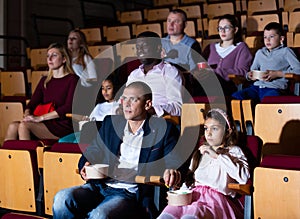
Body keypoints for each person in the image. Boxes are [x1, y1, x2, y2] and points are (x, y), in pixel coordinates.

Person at [52, 81, 189, 219]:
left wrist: (172, 169)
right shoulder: (111, 123)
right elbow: (94, 150)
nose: (126, 104)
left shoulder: (163, 129)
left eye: (133, 99)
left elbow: (175, 160)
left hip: (130, 192)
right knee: (61, 198)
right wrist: (86, 163)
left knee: (99, 215)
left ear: (147, 104)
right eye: (124, 98)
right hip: (100, 185)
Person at [157, 108, 250, 219]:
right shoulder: (200, 152)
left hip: (215, 201)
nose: (208, 133)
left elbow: (244, 177)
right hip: (193, 196)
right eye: (206, 128)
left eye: (214, 129)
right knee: (169, 211)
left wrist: (216, 156)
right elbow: (190, 181)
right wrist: (179, 194)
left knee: (193, 213)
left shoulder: (233, 151)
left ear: (227, 131)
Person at [4, 42, 78, 141]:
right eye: (48, 56)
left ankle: (29, 156)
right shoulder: (45, 80)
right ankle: (7, 156)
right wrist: (28, 115)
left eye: (54, 55)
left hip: (63, 125)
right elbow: (31, 104)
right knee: (13, 126)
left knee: (24, 126)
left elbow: (68, 107)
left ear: (64, 59)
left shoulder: (73, 79)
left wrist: (40, 118)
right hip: (45, 122)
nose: (50, 59)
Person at [232, 22, 300, 102]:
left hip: (275, 88)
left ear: (281, 39)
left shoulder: (286, 52)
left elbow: (298, 70)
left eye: (271, 36)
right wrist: (250, 75)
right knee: (236, 97)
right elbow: (252, 71)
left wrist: (277, 74)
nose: (267, 40)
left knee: (269, 99)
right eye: (265, 37)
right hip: (256, 87)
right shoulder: (260, 53)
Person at [126, 31, 183, 117]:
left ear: (158, 48)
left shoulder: (170, 72)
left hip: (158, 120)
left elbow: (178, 107)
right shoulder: (134, 75)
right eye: (138, 48)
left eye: (144, 46)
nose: (140, 51)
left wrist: (154, 110)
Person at [201, 14, 253, 96]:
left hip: (228, 86)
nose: (222, 31)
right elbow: (200, 66)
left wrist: (218, 71)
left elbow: (243, 72)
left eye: (227, 28)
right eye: (220, 28)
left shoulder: (241, 47)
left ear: (235, 30)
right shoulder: (210, 48)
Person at [59, 74, 119, 143]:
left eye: (108, 88)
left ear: (115, 88)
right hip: (87, 130)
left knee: (77, 141)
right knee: (62, 141)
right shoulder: (99, 106)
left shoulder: (118, 106)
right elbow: (88, 119)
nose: (105, 91)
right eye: (103, 88)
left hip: (100, 133)